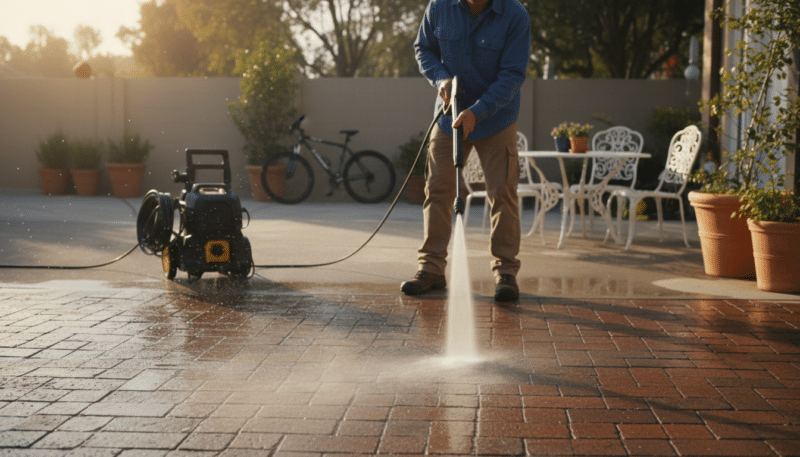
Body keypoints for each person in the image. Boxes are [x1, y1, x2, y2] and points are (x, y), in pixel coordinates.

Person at [402, 0, 530, 302]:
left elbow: (513, 74)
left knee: (503, 193)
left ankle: (505, 272)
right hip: (448, 118)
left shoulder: (515, 15)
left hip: (496, 118)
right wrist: (440, 78)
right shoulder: (439, 6)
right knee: (438, 190)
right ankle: (431, 269)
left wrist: (477, 111)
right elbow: (424, 49)